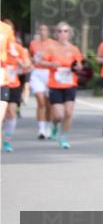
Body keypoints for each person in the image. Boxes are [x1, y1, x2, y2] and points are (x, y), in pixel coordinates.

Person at [38, 21, 83, 150]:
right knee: (58, 115)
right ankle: (55, 125)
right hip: (55, 85)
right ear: (56, 33)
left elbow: (78, 64)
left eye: (65, 31)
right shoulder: (51, 47)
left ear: (69, 34)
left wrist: (78, 67)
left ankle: (64, 137)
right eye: (59, 31)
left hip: (70, 84)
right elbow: (40, 62)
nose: (62, 34)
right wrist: (51, 65)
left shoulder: (74, 49)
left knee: (68, 112)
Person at [2, 20, 31, 152]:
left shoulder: (19, 49)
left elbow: (27, 66)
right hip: (2, 81)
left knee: (11, 112)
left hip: (13, 84)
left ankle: (7, 140)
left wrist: (18, 60)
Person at [29, 23, 53, 139]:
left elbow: (56, 61)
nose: (43, 32)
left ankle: (48, 126)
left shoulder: (53, 44)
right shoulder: (34, 44)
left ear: (48, 32)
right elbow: (30, 58)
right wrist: (32, 61)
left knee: (49, 104)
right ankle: (41, 130)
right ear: (38, 31)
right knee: (41, 102)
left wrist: (44, 62)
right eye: (41, 30)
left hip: (49, 74)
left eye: (45, 30)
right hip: (37, 74)